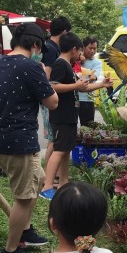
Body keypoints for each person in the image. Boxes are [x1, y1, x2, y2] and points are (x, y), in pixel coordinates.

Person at [0, 22, 59, 253]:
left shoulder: (1, 62)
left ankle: (26, 231)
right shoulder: (31, 66)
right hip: (20, 139)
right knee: (24, 196)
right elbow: (53, 102)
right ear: (36, 45)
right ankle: (11, 251)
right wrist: (42, 73)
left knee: (37, 179)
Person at [39, 33, 112, 200]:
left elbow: (81, 88)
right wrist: (76, 84)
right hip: (61, 116)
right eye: (79, 51)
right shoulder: (60, 64)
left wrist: (102, 84)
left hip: (69, 115)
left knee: (66, 150)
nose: (80, 55)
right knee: (59, 150)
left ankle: (64, 182)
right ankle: (48, 186)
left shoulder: (68, 66)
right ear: (73, 49)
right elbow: (53, 87)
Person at [41, 16, 72, 186]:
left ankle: (57, 177)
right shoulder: (53, 50)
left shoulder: (48, 46)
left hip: (48, 97)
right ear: (65, 32)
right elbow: (47, 76)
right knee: (54, 140)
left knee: (55, 140)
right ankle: (48, 180)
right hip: (51, 99)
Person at [79, 36, 105, 126]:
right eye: (90, 48)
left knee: (87, 126)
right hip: (74, 98)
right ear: (83, 47)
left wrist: (80, 78)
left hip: (88, 99)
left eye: (95, 48)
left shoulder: (97, 62)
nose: (92, 51)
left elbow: (93, 77)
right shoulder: (76, 59)